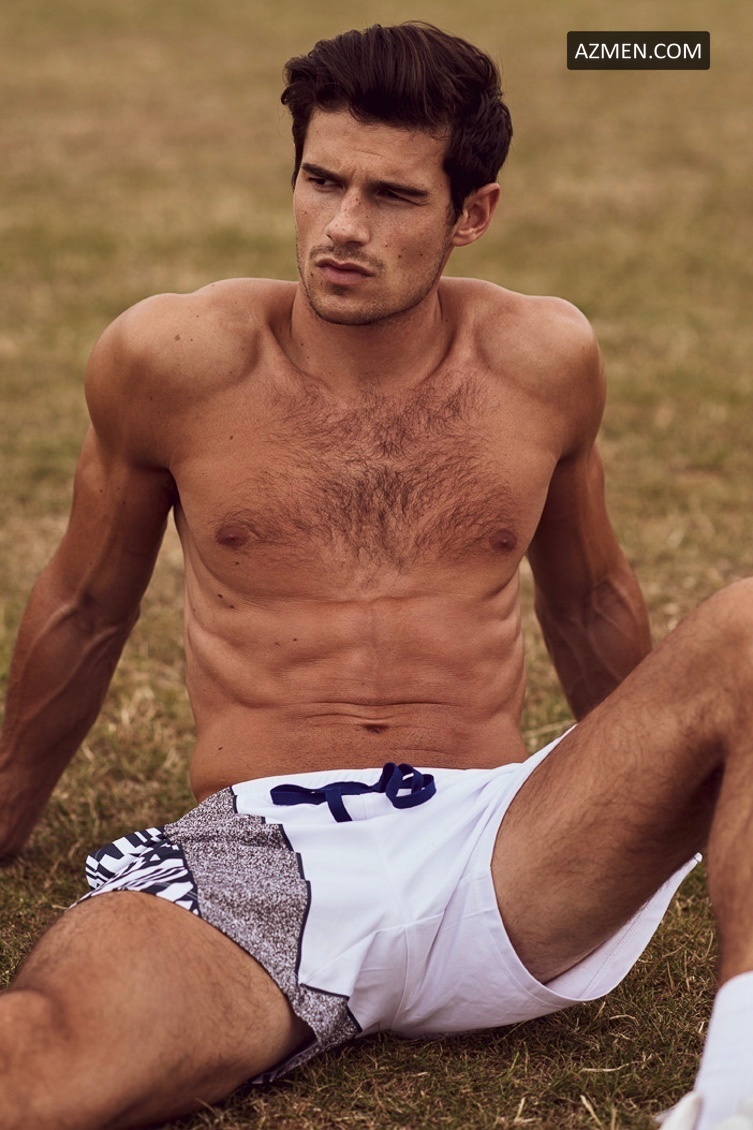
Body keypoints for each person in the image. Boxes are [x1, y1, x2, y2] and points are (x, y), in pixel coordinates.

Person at [0, 20, 750, 1130]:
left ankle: (734, 1099)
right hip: (260, 853)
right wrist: (6, 813)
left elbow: (588, 598)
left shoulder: (543, 361)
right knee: (41, 1061)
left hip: (500, 848)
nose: (343, 227)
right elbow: (84, 606)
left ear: (472, 213)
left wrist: (657, 805)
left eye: (393, 196)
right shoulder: (173, 360)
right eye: (322, 181)